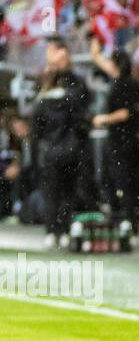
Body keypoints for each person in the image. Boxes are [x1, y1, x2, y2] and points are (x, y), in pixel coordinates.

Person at [31, 38, 91, 248]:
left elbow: (35, 130)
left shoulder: (42, 102)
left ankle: (51, 232)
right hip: (71, 150)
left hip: (50, 152)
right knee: (67, 193)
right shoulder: (74, 95)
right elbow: (84, 121)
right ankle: (64, 231)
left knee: (52, 194)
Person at [90, 41, 139, 241]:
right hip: (130, 140)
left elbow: (125, 113)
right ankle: (135, 223)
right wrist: (96, 53)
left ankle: (132, 224)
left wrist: (103, 119)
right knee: (129, 182)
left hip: (122, 142)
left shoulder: (123, 85)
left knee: (125, 183)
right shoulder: (129, 82)